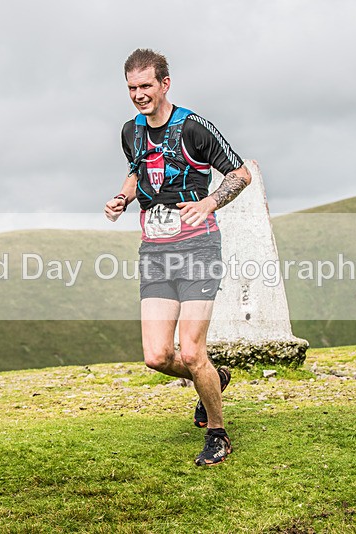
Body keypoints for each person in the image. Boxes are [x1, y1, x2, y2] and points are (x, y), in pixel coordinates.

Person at [104, 48, 251, 466]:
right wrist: (121, 197)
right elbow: (138, 173)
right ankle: (215, 378)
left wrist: (210, 203)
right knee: (156, 356)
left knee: (189, 350)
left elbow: (240, 173)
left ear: (164, 84)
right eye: (132, 88)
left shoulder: (192, 127)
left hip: (198, 248)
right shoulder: (130, 131)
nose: (138, 95)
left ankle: (219, 434)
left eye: (146, 86)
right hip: (155, 251)